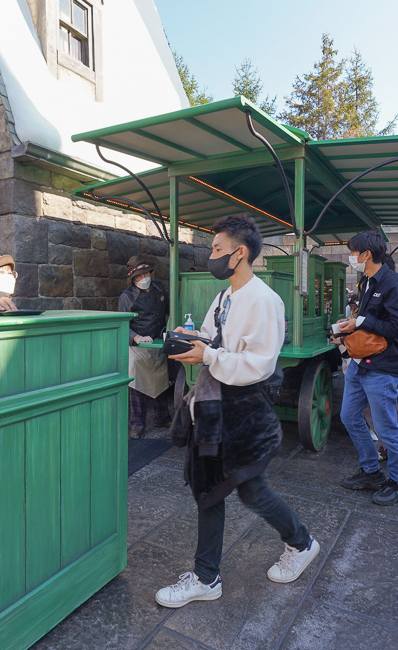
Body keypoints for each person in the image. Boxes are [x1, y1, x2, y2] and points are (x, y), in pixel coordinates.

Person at [157, 216, 318, 608]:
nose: (210, 256)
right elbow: (217, 340)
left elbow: (260, 365)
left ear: (239, 252)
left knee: (251, 489)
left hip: (244, 412)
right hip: (214, 409)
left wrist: (208, 353)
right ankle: (206, 577)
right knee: (209, 491)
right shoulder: (225, 296)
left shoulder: (265, 300)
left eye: (216, 249)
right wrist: (192, 339)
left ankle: (302, 543)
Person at [337, 231, 398, 504]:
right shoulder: (366, 281)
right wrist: (352, 325)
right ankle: (371, 471)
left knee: (386, 427)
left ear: (366, 254)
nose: (351, 257)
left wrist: (361, 323)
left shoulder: (393, 284)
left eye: (353, 251)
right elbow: (368, 320)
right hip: (361, 363)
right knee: (349, 416)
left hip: (383, 366)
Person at [118, 256, 171, 440]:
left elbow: (171, 311)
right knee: (137, 385)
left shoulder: (160, 289)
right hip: (137, 347)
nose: (145, 277)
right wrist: (137, 337)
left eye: (146, 273)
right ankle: (136, 424)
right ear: (133, 279)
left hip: (157, 342)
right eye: (140, 275)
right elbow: (122, 325)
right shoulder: (127, 297)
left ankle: (162, 417)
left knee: (162, 381)